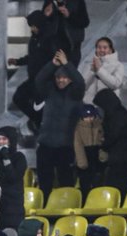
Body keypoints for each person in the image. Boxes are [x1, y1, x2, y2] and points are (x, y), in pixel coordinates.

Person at [35, 52, 84, 195]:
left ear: (70, 79)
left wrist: (66, 64)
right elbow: (39, 80)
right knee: (44, 183)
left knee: (66, 182)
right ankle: (44, 205)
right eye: (58, 77)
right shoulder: (49, 90)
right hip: (46, 144)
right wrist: (52, 64)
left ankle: (66, 207)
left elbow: (80, 82)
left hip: (66, 146)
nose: (61, 80)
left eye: (64, 77)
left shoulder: (76, 93)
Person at [83, 38, 124, 104]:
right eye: (99, 47)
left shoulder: (118, 65)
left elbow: (116, 84)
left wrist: (99, 70)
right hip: (90, 104)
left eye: (105, 48)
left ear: (110, 49)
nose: (101, 50)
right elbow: (83, 86)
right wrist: (92, 72)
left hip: (109, 104)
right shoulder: (89, 65)